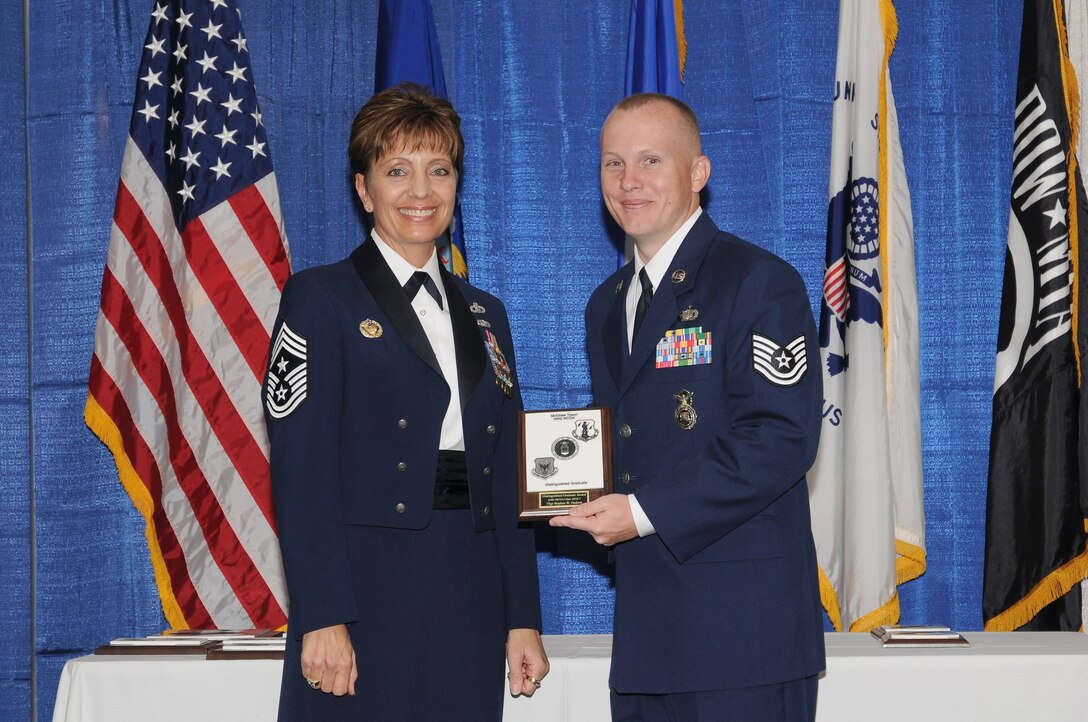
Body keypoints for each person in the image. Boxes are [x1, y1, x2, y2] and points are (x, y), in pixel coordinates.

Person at [264, 83, 548, 721]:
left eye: (438, 171)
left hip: (469, 590)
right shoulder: (321, 298)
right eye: (398, 171)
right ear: (364, 190)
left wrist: (521, 618)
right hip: (365, 592)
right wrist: (324, 614)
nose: (421, 191)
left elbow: (507, 475)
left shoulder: (487, 314)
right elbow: (301, 469)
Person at [550, 93, 825, 721]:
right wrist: (555, 488)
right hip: (648, 637)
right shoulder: (606, 303)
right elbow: (625, 441)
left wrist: (640, 512)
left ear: (697, 173)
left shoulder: (757, 281)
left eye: (651, 160)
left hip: (741, 641)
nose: (629, 182)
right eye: (613, 164)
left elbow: (780, 438)